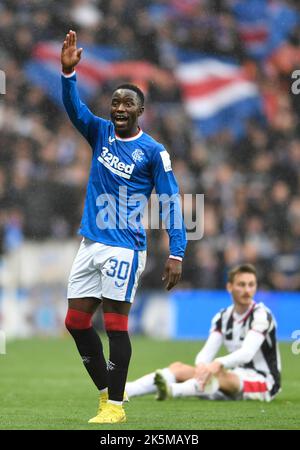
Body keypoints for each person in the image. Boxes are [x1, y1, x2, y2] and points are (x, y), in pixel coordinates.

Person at [61, 30, 186, 424]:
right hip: (91, 241)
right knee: (76, 322)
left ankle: (114, 407)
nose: (119, 107)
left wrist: (176, 250)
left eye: (127, 103)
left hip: (124, 247)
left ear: (140, 110)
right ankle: (109, 393)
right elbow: (74, 109)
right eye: (115, 101)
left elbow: (170, 202)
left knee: (115, 325)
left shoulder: (154, 152)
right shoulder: (99, 132)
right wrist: (68, 75)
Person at [126, 264, 281, 402]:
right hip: (232, 376)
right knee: (178, 367)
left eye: (251, 285)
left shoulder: (262, 315)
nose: (247, 290)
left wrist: (216, 364)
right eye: (242, 284)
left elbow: (247, 353)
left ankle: (173, 391)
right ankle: (127, 390)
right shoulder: (223, 317)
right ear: (229, 287)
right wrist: (202, 366)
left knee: (219, 374)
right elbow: (207, 352)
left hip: (263, 381)